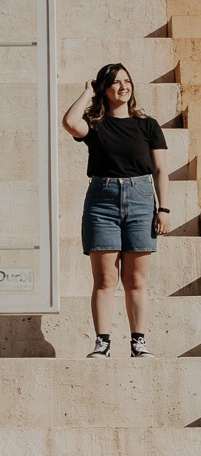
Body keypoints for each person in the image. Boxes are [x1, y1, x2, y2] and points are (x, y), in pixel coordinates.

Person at [62, 63, 170, 358]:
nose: (124, 86)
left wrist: (165, 209)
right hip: (102, 200)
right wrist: (87, 92)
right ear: (104, 90)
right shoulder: (95, 124)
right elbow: (70, 123)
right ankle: (103, 342)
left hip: (141, 198)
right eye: (116, 83)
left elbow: (160, 169)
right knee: (105, 279)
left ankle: (138, 341)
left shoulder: (147, 125)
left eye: (127, 81)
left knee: (136, 280)